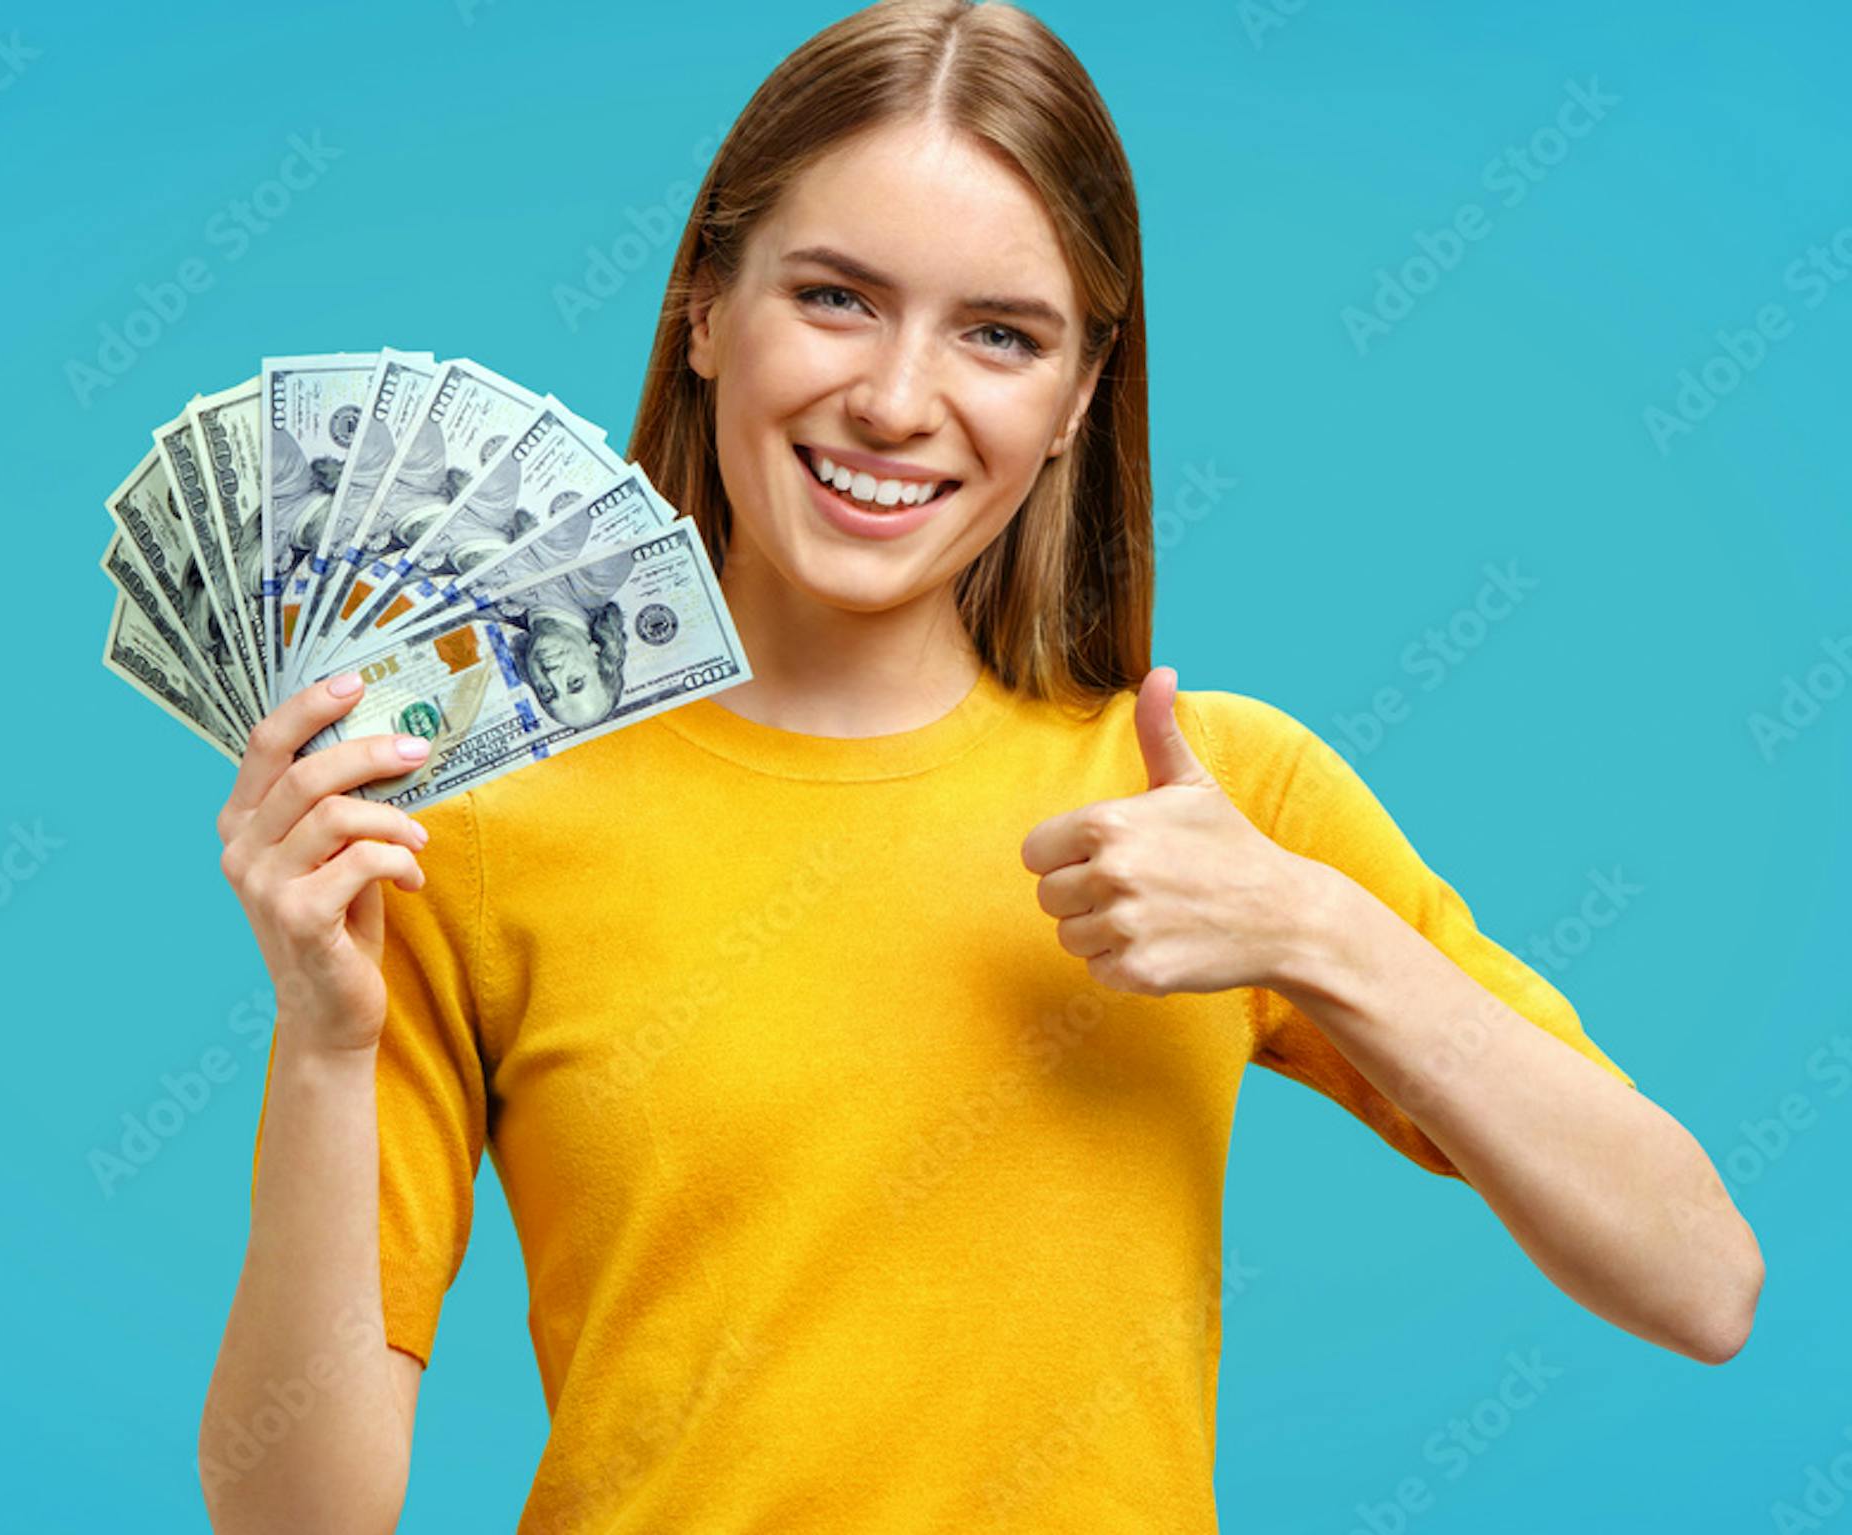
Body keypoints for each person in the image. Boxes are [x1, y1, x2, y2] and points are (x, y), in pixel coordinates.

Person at [196, 3, 1765, 1531]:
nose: (894, 400)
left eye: (1000, 335)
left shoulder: (1213, 797)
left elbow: (1699, 1282)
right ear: (700, 308)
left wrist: (1315, 932)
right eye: (833, 297)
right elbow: (293, 1521)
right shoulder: (465, 829)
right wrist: (326, 1050)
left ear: (1080, 394)